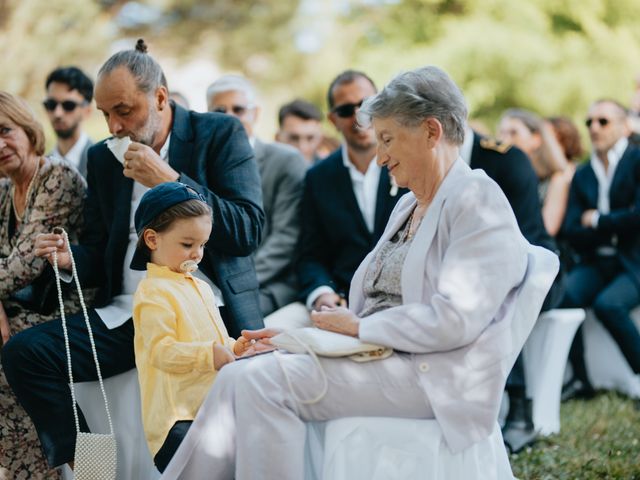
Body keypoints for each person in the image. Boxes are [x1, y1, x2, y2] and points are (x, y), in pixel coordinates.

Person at [160, 66, 558, 480]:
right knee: (238, 372)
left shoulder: (477, 198)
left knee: (261, 383)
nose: (380, 154)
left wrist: (354, 329)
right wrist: (298, 340)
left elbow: (456, 318)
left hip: (434, 378)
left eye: (387, 139)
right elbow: (375, 310)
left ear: (431, 131)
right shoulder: (409, 204)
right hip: (385, 359)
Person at [1, 39, 264, 470]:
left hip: (203, 306)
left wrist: (172, 178)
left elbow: (247, 231)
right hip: (127, 313)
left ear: (159, 97)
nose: (115, 126)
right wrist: (70, 259)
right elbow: (102, 250)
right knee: (23, 354)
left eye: (124, 111)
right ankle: (90, 467)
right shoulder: (102, 158)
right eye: (105, 114)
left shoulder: (219, 134)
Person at [130, 182, 258, 472]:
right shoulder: (153, 292)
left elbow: (214, 339)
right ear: (152, 239)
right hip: (177, 422)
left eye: (202, 245)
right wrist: (209, 354)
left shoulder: (200, 287)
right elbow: (161, 351)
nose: (197, 254)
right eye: (187, 244)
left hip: (210, 411)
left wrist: (234, 346)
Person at [459, 121, 564, 451]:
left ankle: (520, 410)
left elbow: (524, 237)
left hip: (534, 269)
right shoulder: (423, 163)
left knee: (494, 299)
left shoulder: (507, 159)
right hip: (466, 275)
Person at [0, 91, 85, 478]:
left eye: (5, 131)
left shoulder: (57, 177)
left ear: (27, 128)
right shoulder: (4, 192)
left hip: (64, 309)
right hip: (18, 308)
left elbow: (22, 267)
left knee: (9, 352)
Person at [297, 70, 408, 314]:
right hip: (342, 303)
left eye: (366, 104)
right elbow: (310, 255)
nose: (359, 116)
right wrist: (321, 293)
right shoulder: (318, 177)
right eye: (346, 110)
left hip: (406, 300)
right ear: (333, 120)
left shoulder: (409, 161)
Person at [207, 74, 306, 316]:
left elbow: (286, 238)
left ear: (255, 113)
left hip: (271, 285)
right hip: (214, 287)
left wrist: (234, 285)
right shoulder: (202, 164)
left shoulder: (286, 161)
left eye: (238, 109)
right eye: (220, 110)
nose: (230, 117)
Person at [561, 99, 640, 400]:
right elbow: (571, 229)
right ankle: (582, 380)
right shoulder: (582, 173)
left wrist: (595, 219)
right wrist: (618, 223)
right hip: (596, 261)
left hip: (633, 261)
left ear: (624, 126)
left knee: (610, 305)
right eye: (589, 122)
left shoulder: (636, 160)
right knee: (565, 295)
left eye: (603, 121)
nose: (594, 127)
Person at [498, 108, 575, 237]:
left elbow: (548, 228)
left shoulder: (556, 179)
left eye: (513, 133)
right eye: (502, 133)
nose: (505, 140)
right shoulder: (502, 175)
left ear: (536, 139)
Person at [43, 66, 94, 178]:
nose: (58, 113)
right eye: (51, 104)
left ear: (87, 111)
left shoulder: (103, 162)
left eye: (68, 105)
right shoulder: (41, 167)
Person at [276, 99, 324, 165]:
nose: (303, 147)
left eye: (310, 138)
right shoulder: (263, 171)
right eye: (294, 138)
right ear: (278, 138)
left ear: (320, 139)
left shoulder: (331, 172)